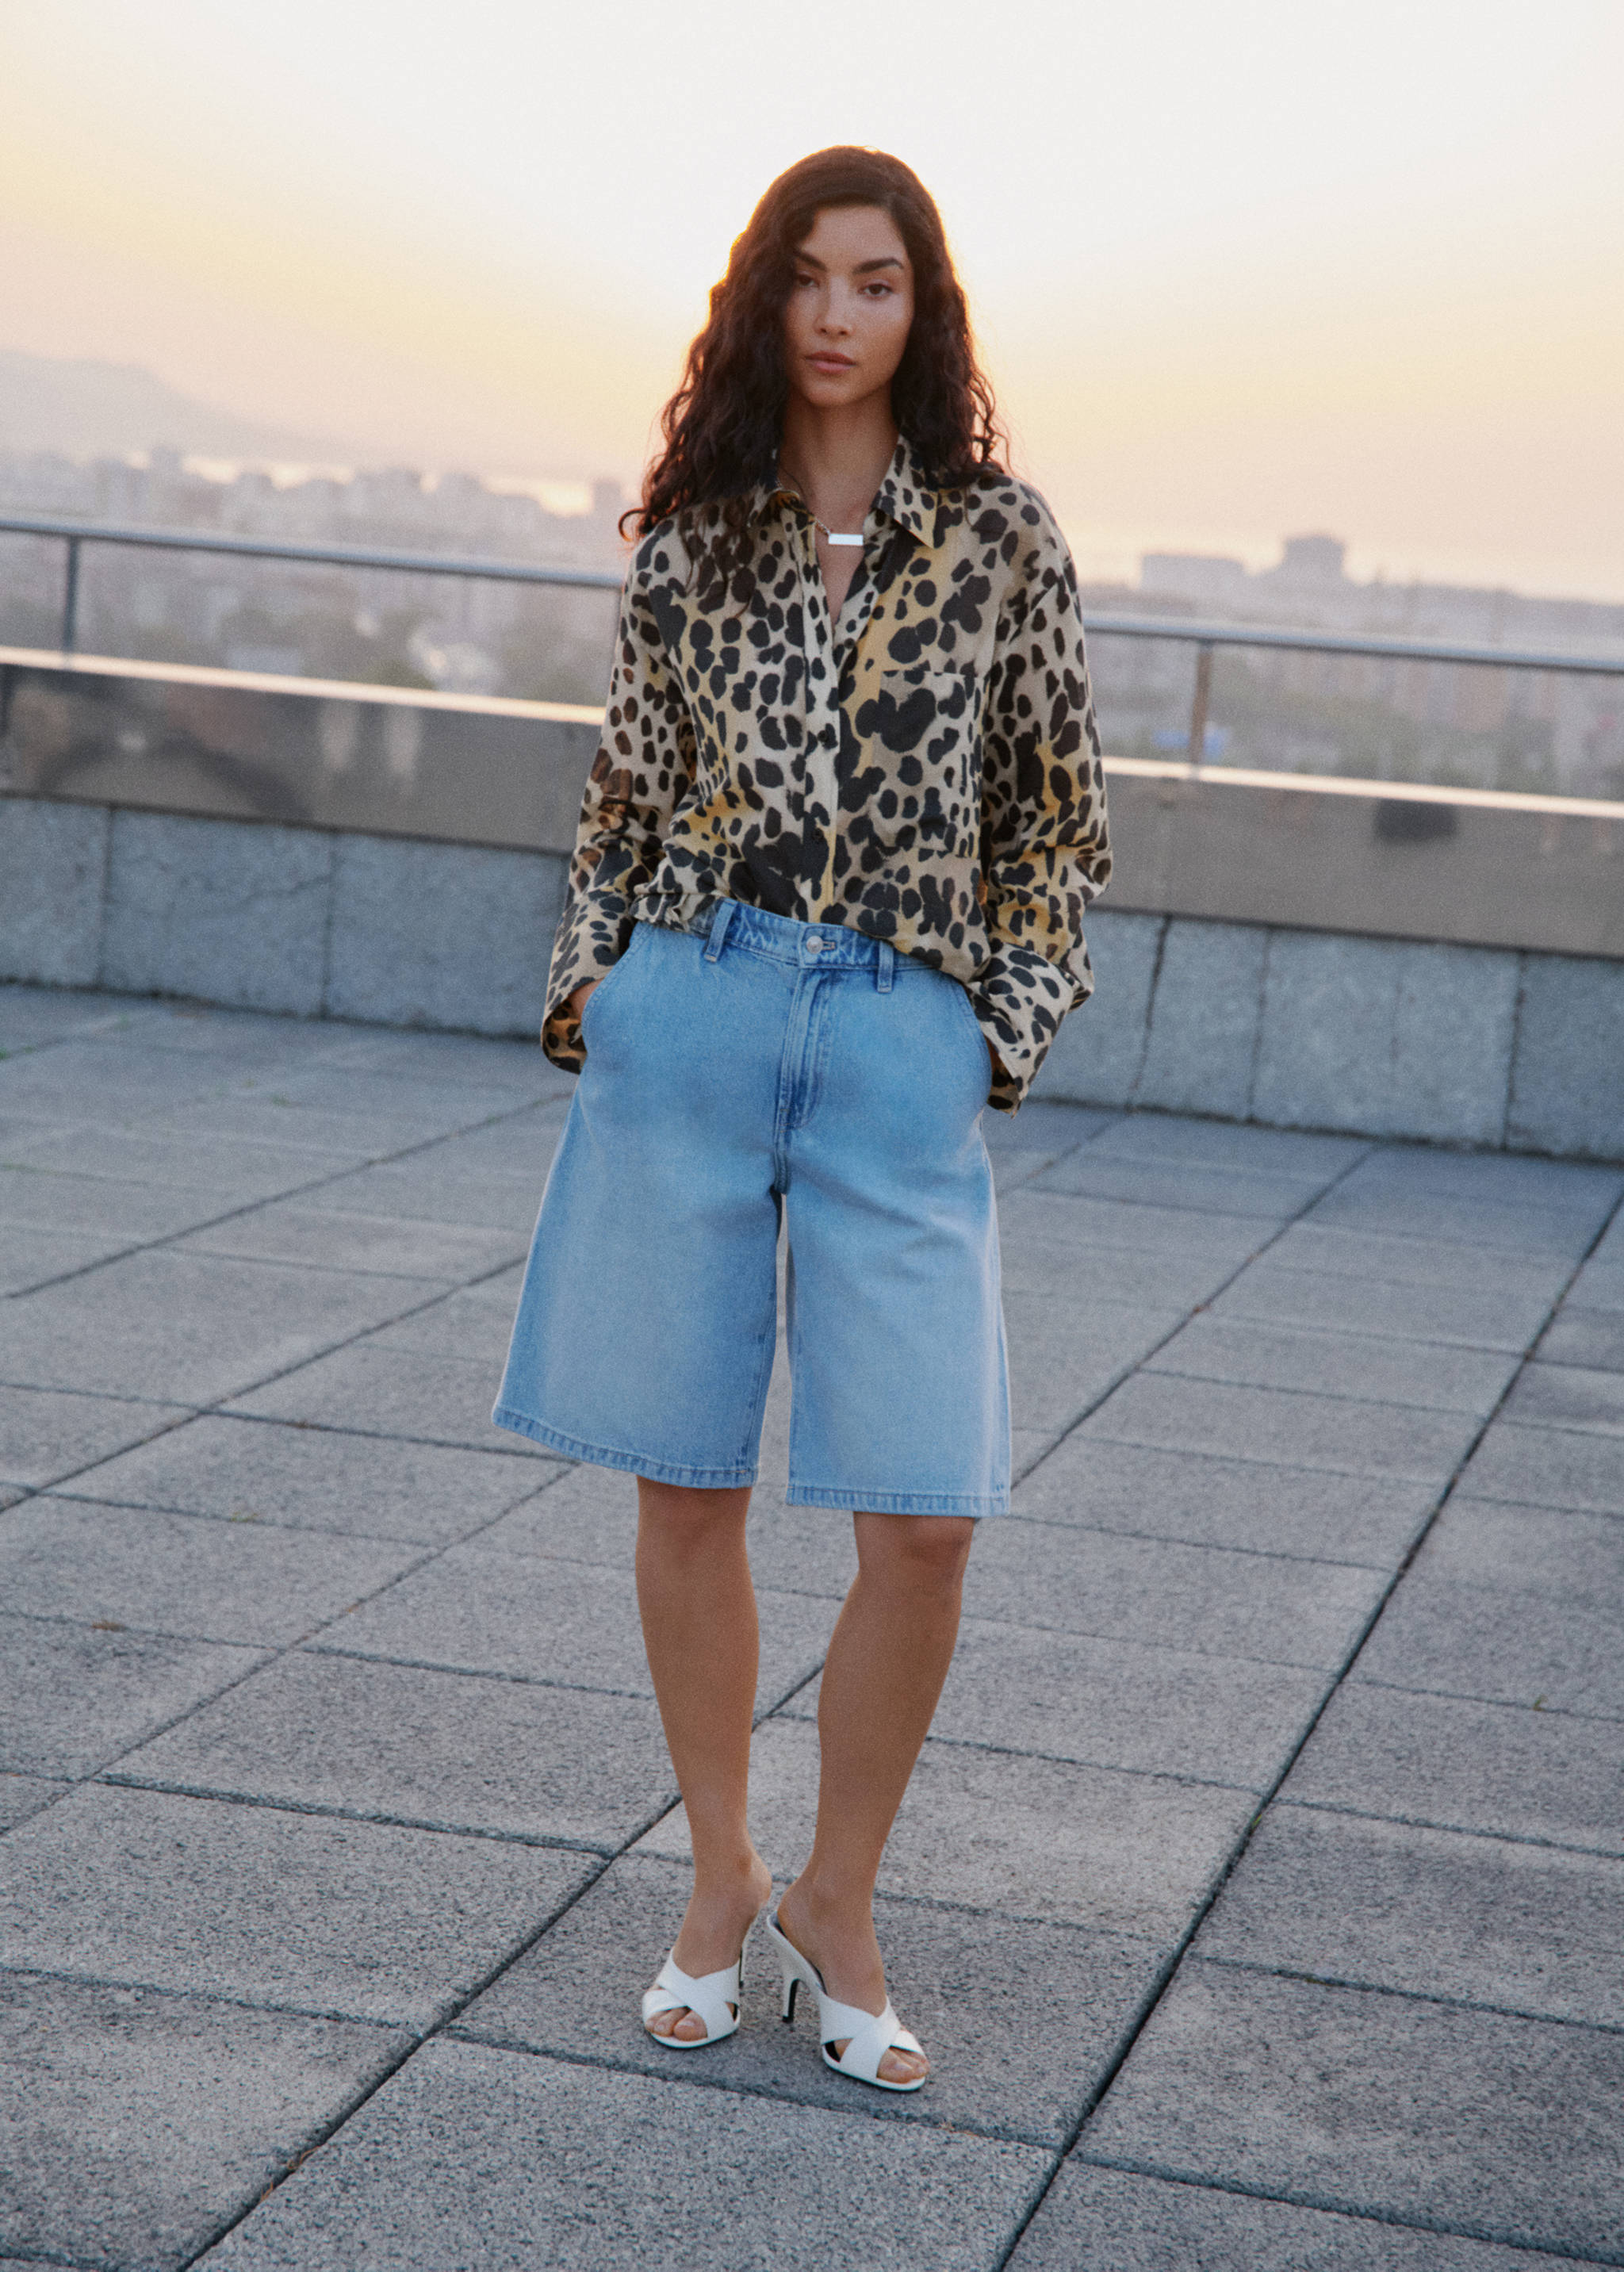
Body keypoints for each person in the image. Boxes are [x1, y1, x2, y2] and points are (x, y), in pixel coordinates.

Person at [494, 145, 1110, 2092]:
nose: (839, 314)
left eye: (879, 282)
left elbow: (1058, 828)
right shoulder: (694, 538)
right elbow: (616, 796)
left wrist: (980, 1032)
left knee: (923, 1513)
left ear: (923, 314)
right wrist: (606, 990)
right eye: (809, 279)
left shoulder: (1001, 543)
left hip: (898, 1034)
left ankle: (836, 1899)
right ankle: (716, 1875)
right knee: (687, 1472)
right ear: (763, 303)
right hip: (697, 1002)